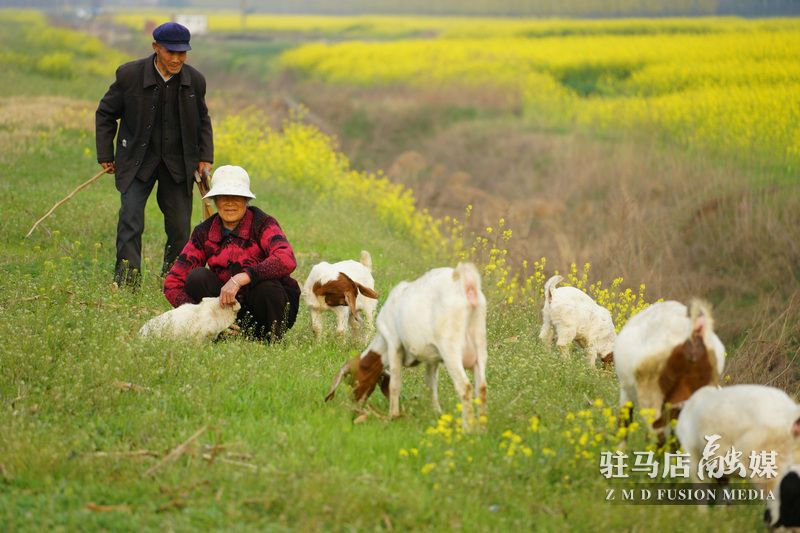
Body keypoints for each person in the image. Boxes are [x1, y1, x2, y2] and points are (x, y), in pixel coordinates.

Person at [96, 21, 213, 285]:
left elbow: (203, 120)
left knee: (180, 227)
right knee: (130, 220)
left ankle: (173, 279)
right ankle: (127, 281)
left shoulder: (195, 80)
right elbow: (105, 114)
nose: (176, 58)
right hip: (137, 162)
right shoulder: (129, 75)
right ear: (155, 48)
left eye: (182, 53)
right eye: (170, 52)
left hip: (178, 163)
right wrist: (105, 153)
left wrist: (205, 156)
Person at [163, 166, 301, 342]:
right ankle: (220, 332)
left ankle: (271, 340)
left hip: (269, 307)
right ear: (214, 200)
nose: (229, 203)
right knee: (197, 277)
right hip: (226, 308)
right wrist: (198, 314)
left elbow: (286, 259)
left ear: (246, 200)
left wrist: (242, 278)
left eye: (236, 197)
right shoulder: (203, 232)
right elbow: (173, 283)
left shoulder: (263, 223)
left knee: (266, 287)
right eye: (223, 197)